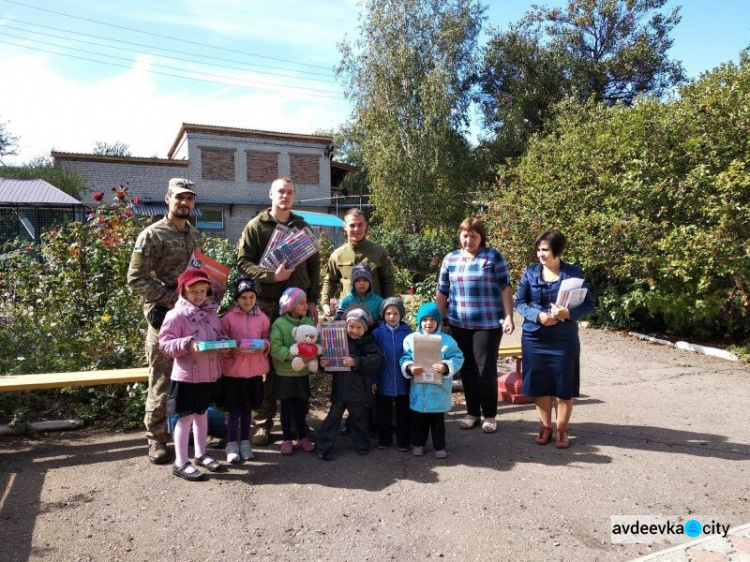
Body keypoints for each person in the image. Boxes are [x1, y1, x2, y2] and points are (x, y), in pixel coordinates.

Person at [236, 177, 320, 446]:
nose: (285, 196)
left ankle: (297, 422)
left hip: (299, 306)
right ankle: (264, 423)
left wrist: (314, 300)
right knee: (267, 362)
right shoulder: (256, 226)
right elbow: (243, 263)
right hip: (268, 303)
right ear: (271, 193)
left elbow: (314, 267)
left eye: (290, 192)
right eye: (280, 191)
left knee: (299, 360)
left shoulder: (302, 226)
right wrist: (272, 275)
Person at [127, 178, 202, 465]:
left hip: (192, 318)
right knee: (160, 381)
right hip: (164, 319)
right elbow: (135, 279)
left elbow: (197, 271)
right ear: (168, 199)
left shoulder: (194, 235)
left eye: (189, 198)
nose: (184, 203)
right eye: (179, 197)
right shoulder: (152, 235)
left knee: (190, 378)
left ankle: (188, 432)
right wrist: (172, 299)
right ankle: (156, 440)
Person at [514, 230, 595, 449]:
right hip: (535, 337)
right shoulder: (530, 272)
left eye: (545, 250)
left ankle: (562, 430)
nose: (540, 254)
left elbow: (589, 305)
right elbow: (519, 302)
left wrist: (567, 314)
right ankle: (544, 427)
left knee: (563, 385)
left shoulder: (573, 273)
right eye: (538, 249)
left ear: (557, 250)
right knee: (540, 385)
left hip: (563, 339)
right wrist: (537, 316)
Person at [435, 217, 514, 435]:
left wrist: (509, 316)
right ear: (459, 236)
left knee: (485, 369)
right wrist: (435, 322)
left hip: (487, 324)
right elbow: (442, 291)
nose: (468, 240)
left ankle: (489, 415)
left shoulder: (492, 256)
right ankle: (472, 413)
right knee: (467, 369)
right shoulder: (450, 259)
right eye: (465, 235)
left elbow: (505, 287)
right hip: (459, 323)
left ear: (481, 237)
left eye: (473, 236)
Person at [158, 269, 226, 481]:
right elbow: (165, 344)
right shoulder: (175, 315)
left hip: (207, 375)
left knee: (202, 414)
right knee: (185, 418)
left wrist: (224, 342)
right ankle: (180, 462)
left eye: (203, 291)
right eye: (193, 291)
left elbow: (217, 334)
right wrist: (188, 344)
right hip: (187, 377)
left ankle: (201, 453)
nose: (198, 295)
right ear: (184, 292)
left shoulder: (212, 313)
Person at [315, 308, 383, 460]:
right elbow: (329, 366)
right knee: (332, 418)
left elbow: (375, 361)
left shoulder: (369, 343)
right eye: (351, 326)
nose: (354, 330)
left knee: (359, 419)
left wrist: (356, 361)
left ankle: (362, 445)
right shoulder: (338, 341)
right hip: (340, 390)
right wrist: (324, 364)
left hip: (358, 392)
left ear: (365, 328)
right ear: (345, 326)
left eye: (359, 327)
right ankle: (322, 447)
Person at [400, 302, 464, 459]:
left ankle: (439, 447)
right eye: (425, 319)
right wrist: (409, 367)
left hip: (438, 390)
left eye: (432, 319)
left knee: (437, 423)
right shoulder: (411, 339)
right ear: (419, 321)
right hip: (418, 390)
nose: (428, 323)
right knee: (418, 422)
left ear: (438, 321)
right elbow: (405, 357)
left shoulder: (447, 341)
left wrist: (446, 366)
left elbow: (457, 357)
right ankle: (418, 444)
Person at [219, 276, 270, 463]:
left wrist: (264, 346)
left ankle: (245, 443)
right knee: (234, 411)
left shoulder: (263, 318)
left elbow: (267, 339)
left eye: (251, 297)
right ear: (236, 299)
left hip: (254, 372)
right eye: (243, 298)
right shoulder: (228, 318)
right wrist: (230, 347)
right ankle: (231, 444)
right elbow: (222, 340)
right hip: (234, 372)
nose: (248, 301)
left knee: (248, 410)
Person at [321, 208, 395, 317]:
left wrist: (388, 306)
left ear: (366, 226)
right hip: (347, 313)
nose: (356, 229)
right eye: (352, 225)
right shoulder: (337, 255)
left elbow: (388, 280)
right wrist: (325, 303)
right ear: (344, 226)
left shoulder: (379, 252)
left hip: (374, 314)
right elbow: (330, 281)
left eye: (360, 225)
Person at [270, 287, 317, 455]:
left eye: (305, 303)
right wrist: (294, 356)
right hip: (285, 374)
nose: (305, 306)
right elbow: (275, 349)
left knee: (301, 407)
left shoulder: (308, 322)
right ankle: (287, 439)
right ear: (290, 304)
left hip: (302, 373)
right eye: (301, 303)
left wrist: (312, 356)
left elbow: (314, 342)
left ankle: (302, 437)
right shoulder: (279, 324)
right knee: (286, 408)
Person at [371, 297, 412, 451]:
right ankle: (384, 439)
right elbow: (373, 359)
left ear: (401, 315)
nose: (392, 317)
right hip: (383, 380)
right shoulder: (377, 333)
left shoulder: (408, 332)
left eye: (396, 313)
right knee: (383, 413)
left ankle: (404, 441)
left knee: (403, 413)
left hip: (403, 381)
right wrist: (373, 379)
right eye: (388, 313)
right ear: (383, 315)